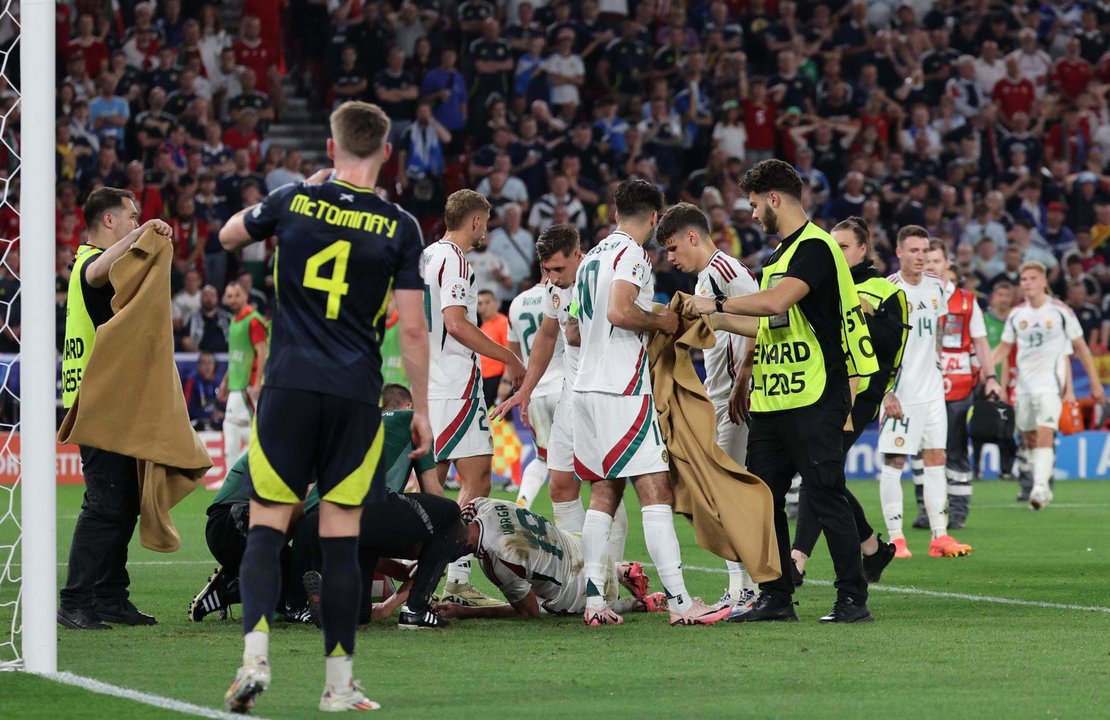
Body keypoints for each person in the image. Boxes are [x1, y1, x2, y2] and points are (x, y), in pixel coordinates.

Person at [218, 101, 431, 714]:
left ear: (332, 148)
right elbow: (413, 332)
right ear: (385, 152)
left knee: (267, 526)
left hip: (286, 387)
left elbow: (230, 234)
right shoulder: (399, 225)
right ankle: (338, 685)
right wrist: (417, 406)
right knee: (340, 540)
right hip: (355, 394)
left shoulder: (290, 201)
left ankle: (254, 658)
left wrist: (297, 193)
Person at [681, 160, 878, 624]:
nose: (751, 215)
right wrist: (705, 317)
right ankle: (776, 597)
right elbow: (768, 319)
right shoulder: (778, 258)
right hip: (773, 399)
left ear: (774, 199)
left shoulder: (816, 247)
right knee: (762, 500)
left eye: (753, 204)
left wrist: (715, 302)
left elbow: (777, 302)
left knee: (826, 494)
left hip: (814, 395)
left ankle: (853, 598)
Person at [573, 179, 728, 627]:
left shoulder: (592, 259)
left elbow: (577, 329)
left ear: (614, 211)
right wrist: (662, 319)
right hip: (621, 388)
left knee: (604, 492)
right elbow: (621, 312)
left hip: (585, 386)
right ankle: (681, 603)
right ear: (656, 217)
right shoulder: (632, 255)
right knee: (655, 490)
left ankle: (594, 602)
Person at [58, 187, 172, 631]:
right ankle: (74, 600)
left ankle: (108, 595)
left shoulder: (85, 263)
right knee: (105, 503)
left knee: (122, 500)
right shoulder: (89, 260)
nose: (135, 220)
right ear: (110, 221)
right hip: (96, 402)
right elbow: (103, 269)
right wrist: (144, 233)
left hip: (108, 399)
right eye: (130, 215)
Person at [421, 189, 525, 608]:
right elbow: (457, 324)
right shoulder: (456, 261)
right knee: (478, 478)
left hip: (426, 379)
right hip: (455, 381)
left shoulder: (426, 255)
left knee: (431, 483)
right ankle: (453, 578)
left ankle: (414, 578)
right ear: (476, 221)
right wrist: (507, 355)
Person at [656, 202, 761, 614]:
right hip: (719, 395)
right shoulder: (708, 277)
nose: (670, 257)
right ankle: (740, 588)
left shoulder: (724, 271)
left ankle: (748, 589)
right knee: (718, 498)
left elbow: (762, 317)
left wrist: (743, 379)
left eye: (672, 247)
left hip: (734, 398)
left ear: (692, 237)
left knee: (724, 497)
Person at [788, 218, 902, 587]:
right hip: (821, 386)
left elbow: (888, 345)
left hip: (859, 393)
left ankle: (797, 559)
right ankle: (871, 546)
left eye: (845, 247)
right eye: (832, 246)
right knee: (823, 471)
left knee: (817, 467)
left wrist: (860, 316)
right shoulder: (824, 284)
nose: (837, 253)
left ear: (863, 250)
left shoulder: (884, 290)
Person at [296, 384, 463, 631]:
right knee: (448, 513)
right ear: (408, 406)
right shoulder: (413, 419)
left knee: (360, 613)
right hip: (361, 507)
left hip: (314, 519)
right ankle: (416, 610)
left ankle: (336, 603)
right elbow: (432, 490)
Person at [494, 224, 611, 542]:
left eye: (559, 268)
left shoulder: (601, 278)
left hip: (605, 394)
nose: (554, 277)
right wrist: (525, 391)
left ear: (578, 255)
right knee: (559, 484)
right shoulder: (553, 289)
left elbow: (578, 336)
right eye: (547, 270)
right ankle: (579, 572)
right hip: (567, 395)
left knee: (604, 488)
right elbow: (547, 336)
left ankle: (607, 575)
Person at [878, 226, 973, 560]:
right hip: (900, 394)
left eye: (924, 250)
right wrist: (885, 393)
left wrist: (936, 368)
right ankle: (896, 538)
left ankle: (940, 537)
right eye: (913, 251)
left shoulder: (936, 287)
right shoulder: (886, 290)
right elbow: (874, 346)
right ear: (899, 252)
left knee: (937, 459)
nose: (920, 257)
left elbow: (938, 331)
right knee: (895, 461)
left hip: (933, 391)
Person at [434, 498, 667, 619]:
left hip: (583, 588)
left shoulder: (497, 558)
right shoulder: (486, 505)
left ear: (458, 544)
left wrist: (468, 612)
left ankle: (636, 605)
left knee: (549, 606)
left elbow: (529, 612)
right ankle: (618, 569)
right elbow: (466, 508)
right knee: (547, 564)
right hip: (586, 549)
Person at [992, 262, 1105, 510]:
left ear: (1044, 281)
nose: (1027, 283)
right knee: (1029, 435)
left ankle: (1040, 487)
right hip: (1023, 385)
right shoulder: (1017, 314)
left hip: (1050, 384)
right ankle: (1042, 475)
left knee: (1045, 431)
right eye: (1023, 279)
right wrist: (985, 368)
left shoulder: (1060, 312)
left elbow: (1082, 348)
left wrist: (1095, 383)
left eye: (1032, 278)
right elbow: (1004, 348)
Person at [925, 242, 1002, 529]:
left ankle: (957, 510)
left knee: (955, 448)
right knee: (925, 450)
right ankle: (927, 510)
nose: (931, 265)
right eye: (927, 259)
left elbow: (981, 342)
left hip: (959, 386)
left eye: (936, 260)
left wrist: (991, 377)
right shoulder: (912, 297)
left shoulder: (968, 301)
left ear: (947, 263)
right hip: (924, 385)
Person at [506, 276, 564, 510]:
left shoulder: (517, 302)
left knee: (542, 457)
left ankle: (522, 503)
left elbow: (513, 357)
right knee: (577, 461)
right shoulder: (563, 294)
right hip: (563, 386)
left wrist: (521, 392)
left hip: (534, 392)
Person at [218, 281, 269, 476]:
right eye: (229, 296)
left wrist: (257, 382)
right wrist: (225, 382)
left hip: (249, 384)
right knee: (236, 425)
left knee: (238, 426)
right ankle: (236, 476)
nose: (232, 300)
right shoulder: (234, 320)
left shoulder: (254, 320)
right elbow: (235, 356)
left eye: (236, 295)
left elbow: (262, 351)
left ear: (245, 296)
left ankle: (243, 476)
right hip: (237, 383)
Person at [477, 288, 511, 408]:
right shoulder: (482, 327)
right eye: (480, 303)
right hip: (484, 380)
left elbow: (510, 354)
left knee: (502, 422)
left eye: (487, 302)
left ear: (496, 303)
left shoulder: (502, 323)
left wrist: (506, 382)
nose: (484, 306)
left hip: (497, 380)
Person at [185, 351, 224, 431]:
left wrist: (221, 414)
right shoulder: (192, 381)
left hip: (216, 424)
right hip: (196, 424)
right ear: (199, 366)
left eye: (210, 362)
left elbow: (223, 405)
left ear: (214, 365)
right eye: (204, 363)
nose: (207, 366)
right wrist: (209, 415)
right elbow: (187, 409)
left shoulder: (218, 383)